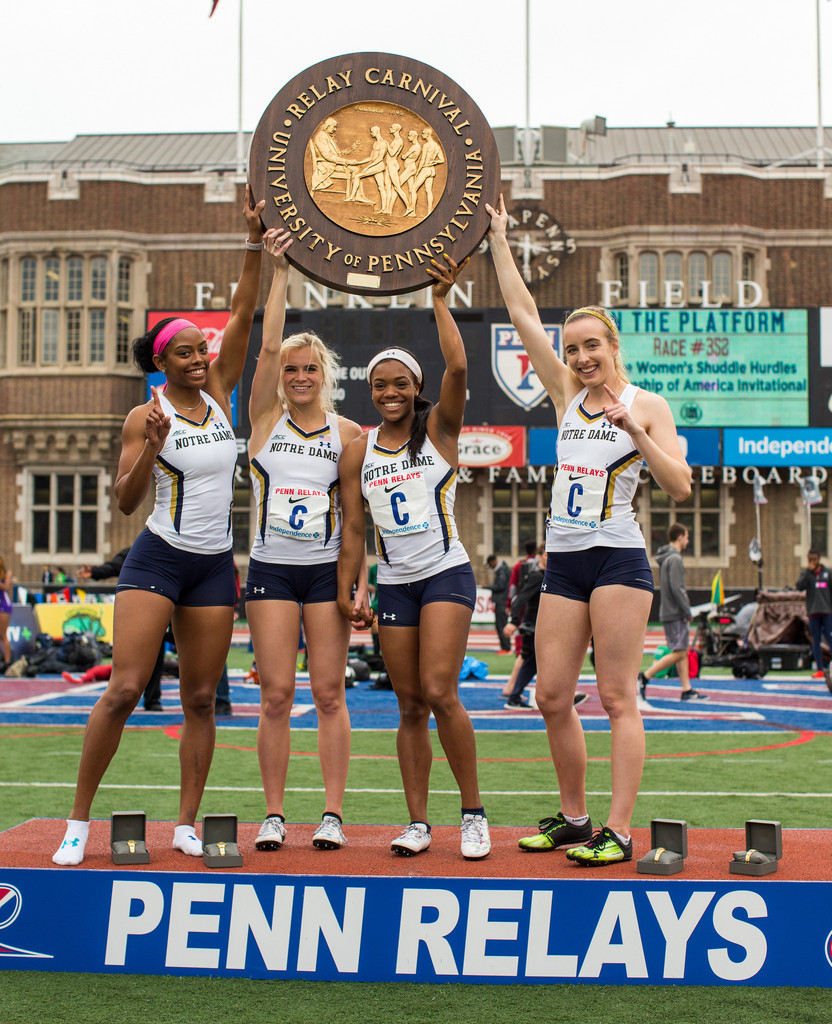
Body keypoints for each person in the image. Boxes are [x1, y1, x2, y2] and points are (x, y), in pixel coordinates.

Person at [52, 185, 267, 867]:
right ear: (163, 363)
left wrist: (254, 243)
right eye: (186, 352)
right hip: (159, 558)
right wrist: (148, 443)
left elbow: (242, 309)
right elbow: (122, 502)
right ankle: (78, 823)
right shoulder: (143, 416)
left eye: (203, 348)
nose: (201, 355)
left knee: (202, 699)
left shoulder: (222, 391)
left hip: (213, 565)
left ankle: (184, 823)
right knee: (122, 689)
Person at [487, 194, 691, 865]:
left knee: (613, 694)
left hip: (618, 561)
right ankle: (574, 819)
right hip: (565, 562)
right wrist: (497, 237)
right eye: (572, 349)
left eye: (591, 346)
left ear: (613, 346)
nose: (580, 357)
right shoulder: (565, 397)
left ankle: (620, 829)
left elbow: (680, 484)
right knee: (550, 694)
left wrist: (635, 432)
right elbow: (521, 313)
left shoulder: (647, 405)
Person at [337, 253, 491, 860]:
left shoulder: (440, 432)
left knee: (440, 690)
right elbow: (353, 528)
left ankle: (473, 814)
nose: (391, 392)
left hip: (445, 574)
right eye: (380, 385)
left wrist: (440, 298)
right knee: (407, 703)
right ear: (370, 391)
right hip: (395, 582)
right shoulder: (358, 450)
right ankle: (419, 822)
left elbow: (458, 362)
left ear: (417, 387)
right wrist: (355, 588)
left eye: (401, 383)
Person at [246, 226, 364, 853]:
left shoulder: (347, 433)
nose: (297, 375)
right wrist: (281, 269)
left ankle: (333, 813)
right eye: (290, 369)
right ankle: (272, 813)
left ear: (325, 374)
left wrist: (359, 582)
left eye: (308, 368)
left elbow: (355, 519)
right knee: (276, 693)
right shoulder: (264, 421)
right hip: (269, 568)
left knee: (327, 691)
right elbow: (265, 349)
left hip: (323, 572)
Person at [76, 547, 165, 711]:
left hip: (177, 610)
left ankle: (219, 699)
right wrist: (95, 571)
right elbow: (114, 566)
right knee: (149, 655)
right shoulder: (145, 546)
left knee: (202, 652)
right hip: (148, 611)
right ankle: (150, 699)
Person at [638, 524, 706, 701]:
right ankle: (645, 676)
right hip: (676, 612)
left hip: (669, 611)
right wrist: (686, 609)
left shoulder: (666, 558)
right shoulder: (674, 559)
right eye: (687, 537)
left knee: (681, 650)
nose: (688, 540)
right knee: (680, 652)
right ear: (680, 537)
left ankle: (686, 689)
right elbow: (677, 588)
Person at [796, 549, 832, 692]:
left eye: (814, 560)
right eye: (810, 560)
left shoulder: (828, 573)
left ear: (819, 559)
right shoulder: (807, 574)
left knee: (830, 639)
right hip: (813, 613)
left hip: (827, 612)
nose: (812, 562)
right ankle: (820, 668)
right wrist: (807, 572)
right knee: (815, 641)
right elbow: (799, 586)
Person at [486, 554, 511, 651]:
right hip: (502, 601)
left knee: (501, 624)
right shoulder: (502, 570)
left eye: (490, 564)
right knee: (500, 624)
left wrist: (489, 587)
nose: (490, 567)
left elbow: (500, 586)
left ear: (493, 562)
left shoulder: (502, 571)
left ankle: (506, 648)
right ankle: (504, 647)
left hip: (502, 601)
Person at [0, 557, 14, 668]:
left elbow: (6, 587)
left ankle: (7, 662)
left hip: (4, 605)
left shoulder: (6, 573)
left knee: (3, 634)